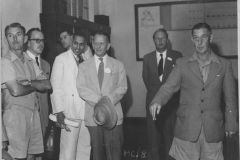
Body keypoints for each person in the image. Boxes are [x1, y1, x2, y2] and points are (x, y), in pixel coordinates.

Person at [150, 23, 238, 160]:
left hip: (213, 131)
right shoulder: (182, 63)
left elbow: (230, 98)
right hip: (186, 130)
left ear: (211, 37)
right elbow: (168, 87)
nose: (200, 42)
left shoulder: (224, 65)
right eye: (196, 38)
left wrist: (232, 124)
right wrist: (157, 100)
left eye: (203, 37)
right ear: (192, 40)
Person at [1, 22, 51, 160]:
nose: (15, 39)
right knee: (17, 157)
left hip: (32, 115)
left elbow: (47, 84)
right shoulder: (5, 62)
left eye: (18, 35)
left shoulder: (30, 60)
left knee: (32, 156)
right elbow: (15, 91)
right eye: (10, 36)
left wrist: (27, 83)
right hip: (15, 118)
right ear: (6, 39)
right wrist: (35, 84)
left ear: (24, 38)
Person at [76, 31, 128, 160]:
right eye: (95, 43)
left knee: (114, 153)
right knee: (96, 153)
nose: (98, 46)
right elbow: (81, 88)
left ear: (108, 45)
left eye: (102, 43)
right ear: (92, 44)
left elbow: (122, 87)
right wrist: (100, 101)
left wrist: (107, 102)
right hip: (92, 115)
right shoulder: (83, 66)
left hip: (114, 115)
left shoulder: (118, 65)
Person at [142, 28, 182, 160]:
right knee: (153, 138)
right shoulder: (147, 58)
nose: (160, 40)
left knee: (170, 138)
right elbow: (146, 80)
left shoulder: (177, 56)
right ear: (154, 40)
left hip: (171, 106)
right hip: (152, 104)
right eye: (157, 38)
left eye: (163, 38)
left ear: (167, 40)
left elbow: (179, 81)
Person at [50, 32, 91, 160]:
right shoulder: (61, 59)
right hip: (69, 112)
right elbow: (55, 87)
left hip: (86, 113)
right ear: (71, 41)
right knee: (68, 152)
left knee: (84, 150)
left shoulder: (87, 60)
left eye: (81, 44)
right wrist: (59, 112)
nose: (78, 47)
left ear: (85, 46)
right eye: (75, 43)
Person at [26, 28, 51, 138]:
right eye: (37, 40)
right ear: (28, 42)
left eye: (42, 40)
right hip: (27, 116)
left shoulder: (46, 65)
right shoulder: (22, 61)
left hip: (43, 117)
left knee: (41, 154)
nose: (41, 44)